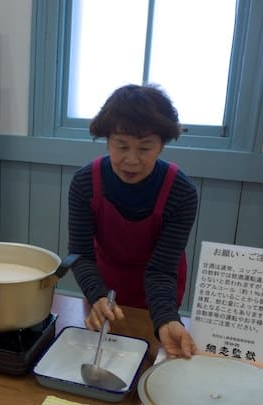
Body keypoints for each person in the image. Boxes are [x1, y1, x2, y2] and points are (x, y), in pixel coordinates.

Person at [68, 84, 198, 358]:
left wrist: (165, 319)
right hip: (102, 283)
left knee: (150, 358)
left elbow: (162, 270)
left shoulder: (180, 192)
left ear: (161, 145)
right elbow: (80, 253)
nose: (131, 159)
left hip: (160, 288)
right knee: (102, 356)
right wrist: (97, 296)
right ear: (107, 140)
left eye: (145, 148)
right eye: (121, 146)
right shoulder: (84, 183)